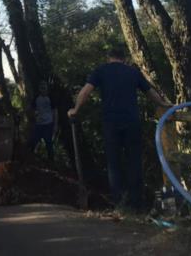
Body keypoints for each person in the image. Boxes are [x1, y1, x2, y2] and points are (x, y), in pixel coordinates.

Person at [68, 46, 170, 211]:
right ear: (124, 58)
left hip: (111, 123)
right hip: (132, 122)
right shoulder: (132, 72)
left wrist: (76, 109)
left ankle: (119, 204)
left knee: (114, 163)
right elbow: (150, 92)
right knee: (134, 162)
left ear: (109, 57)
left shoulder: (101, 71)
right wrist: (163, 104)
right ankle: (137, 204)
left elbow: (86, 92)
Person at [28, 81, 57, 160]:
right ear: (39, 89)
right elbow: (31, 109)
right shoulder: (36, 98)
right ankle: (31, 158)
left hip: (48, 124)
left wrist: (55, 125)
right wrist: (33, 118)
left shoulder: (50, 98)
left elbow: (55, 111)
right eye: (42, 88)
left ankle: (51, 161)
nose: (43, 90)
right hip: (39, 124)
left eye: (44, 88)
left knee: (49, 143)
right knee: (34, 141)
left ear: (47, 89)